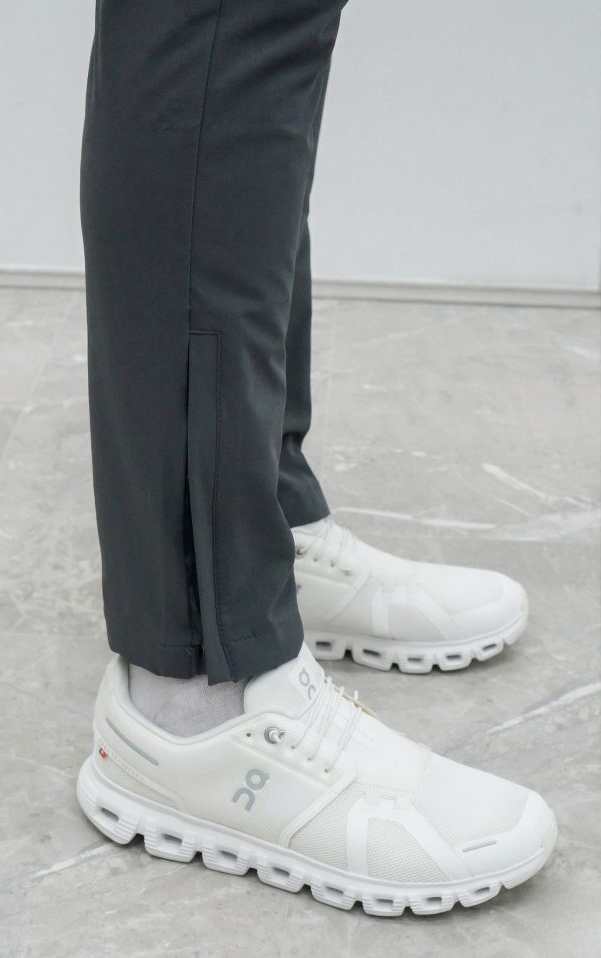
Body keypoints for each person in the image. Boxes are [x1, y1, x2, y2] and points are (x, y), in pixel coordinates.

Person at [77, 0, 556, 916]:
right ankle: (196, 687)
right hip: (202, 682)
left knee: (262, 37)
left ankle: (267, 534)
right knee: (218, 23)